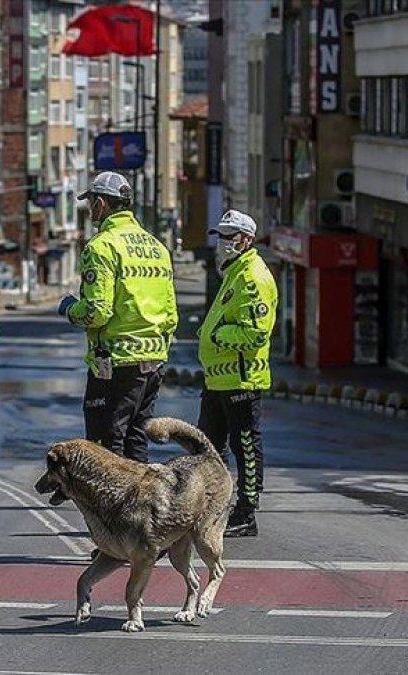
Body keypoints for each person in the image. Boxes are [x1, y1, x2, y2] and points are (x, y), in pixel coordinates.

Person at [58, 171, 178, 463]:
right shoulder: (157, 248)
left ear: (100, 203)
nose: (90, 211)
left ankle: (113, 508)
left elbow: (96, 312)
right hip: (153, 362)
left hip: (114, 364)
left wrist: (70, 309)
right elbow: (171, 314)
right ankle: (141, 506)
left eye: (91, 204)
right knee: (136, 439)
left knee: (105, 447)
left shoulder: (101, 247)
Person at [197, 209, 278, 537]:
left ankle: (246, 512)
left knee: (245, 444)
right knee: (207, 445)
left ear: (246, 239)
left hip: (241, 378)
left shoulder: (253, 276)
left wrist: (216, 336)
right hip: (218, 378)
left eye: (230, 237)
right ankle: (211, 507)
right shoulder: (234, 272)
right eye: (221, 236)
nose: (223, 243)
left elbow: (256, 333)